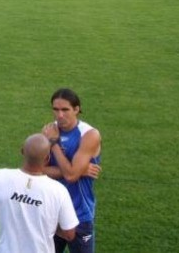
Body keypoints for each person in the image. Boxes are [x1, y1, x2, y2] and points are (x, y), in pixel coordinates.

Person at [0, 133, 79, 253]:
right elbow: (69, 234)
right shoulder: (58, 191)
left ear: (22, 151)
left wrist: (9, 208)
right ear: (47, 158)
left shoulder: (0, 176)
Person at [41, 88, 102, 253]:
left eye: (65, 110)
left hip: (79, 214)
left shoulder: (89, 135)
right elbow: (37, 170)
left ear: (76, 109)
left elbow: (71, 176)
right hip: (51, 212)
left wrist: (53, 143)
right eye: (56, 109)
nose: (59, 115)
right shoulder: (49, 130)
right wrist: (78, 171)